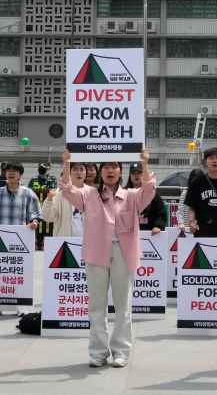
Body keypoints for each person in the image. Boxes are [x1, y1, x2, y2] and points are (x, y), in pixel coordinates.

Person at [60, 149, 156, 368]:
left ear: (121, 171)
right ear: (100, 172)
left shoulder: (131, 196)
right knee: (96, 306)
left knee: (123, 307)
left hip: (123, 254)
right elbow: (66, 190)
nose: (110, 170)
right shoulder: (88, 194)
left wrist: (145, 162)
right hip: (96, 254)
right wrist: (66, 163)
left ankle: (121, 351)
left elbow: (150, 189)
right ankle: (98, 352)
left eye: (114, 166)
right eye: (106, 167)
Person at [0, 161, 41, 316]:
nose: (11, 173)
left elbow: (35, 214)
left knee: (19, 274)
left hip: (19, 242)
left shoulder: (28, 193)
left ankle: (21, 305)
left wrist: (34, 222)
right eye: (8, 170)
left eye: (15, 170)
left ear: (20, 174)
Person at [42, 161, 87, 237]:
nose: (78, 172)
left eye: (81, 169)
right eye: (75, 169)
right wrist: (49, 200)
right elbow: (48, 217)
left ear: (86, 173)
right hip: (64, 242)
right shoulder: (59, 194)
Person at [129, 162, 166, 233]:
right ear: (130, 176)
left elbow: (161, 212)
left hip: (149, 233)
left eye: (139, 173)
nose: (136, 176)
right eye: (133, 173)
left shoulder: (152, 193)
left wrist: (158, 226)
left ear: (143, 175)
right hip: (130, 233)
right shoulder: (125, 192)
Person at [29, 163, 58, 250]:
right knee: (37, 224)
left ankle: (47, 243)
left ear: (48, 169)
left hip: (48, 206)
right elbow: (30, 191)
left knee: (48, 225)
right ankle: (37, 242)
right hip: (36, 207)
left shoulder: (52, 178)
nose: (43, 170)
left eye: (45, 169)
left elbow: (53, 191)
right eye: (41, 169)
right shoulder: (33, 179)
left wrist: (41, 190)